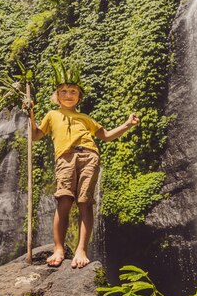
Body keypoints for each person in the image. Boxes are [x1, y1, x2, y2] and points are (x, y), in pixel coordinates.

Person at [28, 62, 139, 269]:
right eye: (63, 91)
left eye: (73, 92)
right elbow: (35, 136)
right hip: (65, 158)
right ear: (56, 95)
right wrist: (30, 113)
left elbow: (105, 136)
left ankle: (81, 249)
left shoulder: (86, 118)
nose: (68, 95)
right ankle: (59, 248)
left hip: (89, 156)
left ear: (79, 96)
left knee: (85, 202)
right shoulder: (51, 115)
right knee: (64, 200)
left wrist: (127, 124)